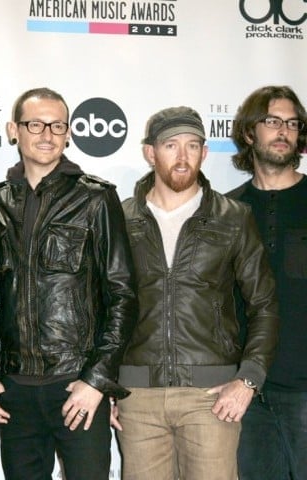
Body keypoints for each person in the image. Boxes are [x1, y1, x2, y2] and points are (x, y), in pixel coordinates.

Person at [113, 106, 279, 480]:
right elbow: (105, 306)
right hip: (137, 398)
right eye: (171, 145)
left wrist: (248, 378)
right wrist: (105, 382)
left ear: (205, 153)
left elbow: (264, 305)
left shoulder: (234, 217)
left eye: (193, 145)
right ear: (150, 152)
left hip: (212, 397)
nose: (183, 156)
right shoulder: (120, 219)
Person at [0, 87, 138, 480]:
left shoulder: (96, 199)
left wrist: (96, 380)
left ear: (68, 133)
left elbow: (122, 295)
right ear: (13, 130)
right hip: (15, 390)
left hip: (76, 386)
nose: (47, 134)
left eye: (57, 125)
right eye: (35, 124)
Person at [227, 85, 307, 480]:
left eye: (292, 124)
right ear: (248, 133)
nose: (284, 131)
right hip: (247, 392)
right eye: (272, 121)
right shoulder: (228, 209)